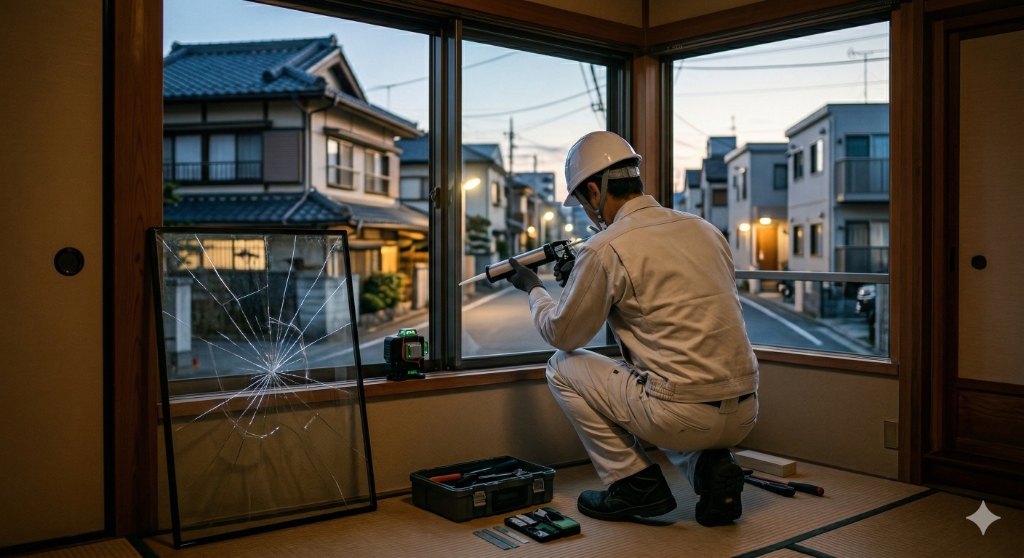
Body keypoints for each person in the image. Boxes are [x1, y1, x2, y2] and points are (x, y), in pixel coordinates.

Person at [505, 131, 759, 526]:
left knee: (562, 365)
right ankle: (711, 470)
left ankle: (634, 484)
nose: (592, 215)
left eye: (587, 203)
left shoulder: (605, 246)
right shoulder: (705, 229)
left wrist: (533, 288)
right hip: (745, 410)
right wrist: (586, 277)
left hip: (681, 415)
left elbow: (563, 334)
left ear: (594, 190)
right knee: (667, 386)